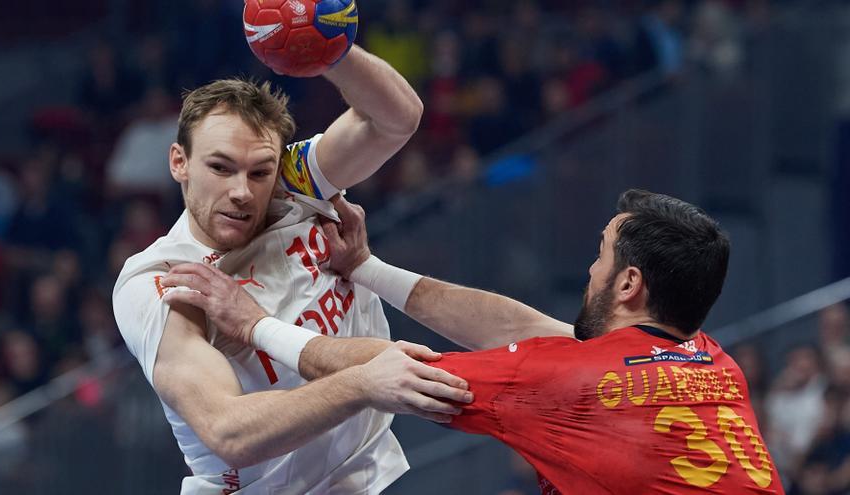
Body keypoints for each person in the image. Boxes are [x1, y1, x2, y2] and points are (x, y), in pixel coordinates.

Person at [112, 44, 473, 495]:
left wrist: (329, 52)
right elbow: (230, 433)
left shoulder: (293, 186)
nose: (242, 191)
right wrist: (362, 384)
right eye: (220, 167)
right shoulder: (162, 278)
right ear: (179, 162)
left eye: (258, 172)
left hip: (366, 473)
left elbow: (396, 117)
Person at [320, 189, 785, 494]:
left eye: (600, 254)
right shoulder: (713, 362)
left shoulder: (576, 381)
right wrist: (366, 268)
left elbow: (393, 371)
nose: (589, 270)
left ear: (628, 285)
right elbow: (520, 330)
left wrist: (255, 326)